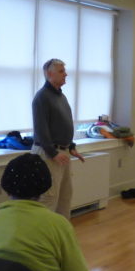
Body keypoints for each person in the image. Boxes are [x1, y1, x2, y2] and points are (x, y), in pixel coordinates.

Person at [32, 58, 85, 219]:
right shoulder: (41, 97)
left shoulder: (61, 97)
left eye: (64, 71)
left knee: (65, 196)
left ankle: (61, 236)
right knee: (49, 197)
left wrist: (71, 147)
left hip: (63, 152)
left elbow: (64, 124)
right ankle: (43, 239)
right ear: (49, 74)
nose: (66, 74)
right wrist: (53, 153)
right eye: (61, 71)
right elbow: (41, 129)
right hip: (48, 154)